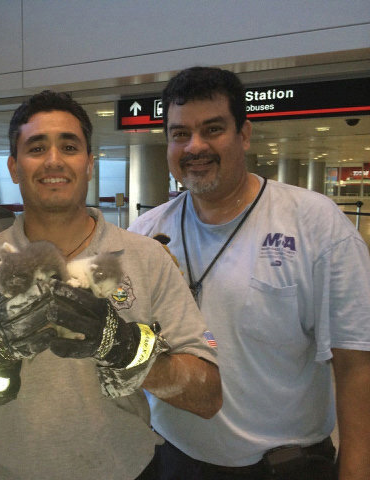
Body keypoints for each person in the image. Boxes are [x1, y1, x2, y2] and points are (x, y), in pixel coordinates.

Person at [0, 90, 222, 480]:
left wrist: (125, 348)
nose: (54, 160)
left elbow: (208, 395)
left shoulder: (146, 258)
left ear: (89, 163)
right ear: (13, 166)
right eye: (37, 147)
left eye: (69, 146)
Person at [129, 66, 370, 480]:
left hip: (283, 467)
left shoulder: (313, 223)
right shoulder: (145, 234)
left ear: (244, 134)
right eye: (180, 133)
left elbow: (356, 365)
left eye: (213, 129)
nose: (194, 147)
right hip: (172, 460)